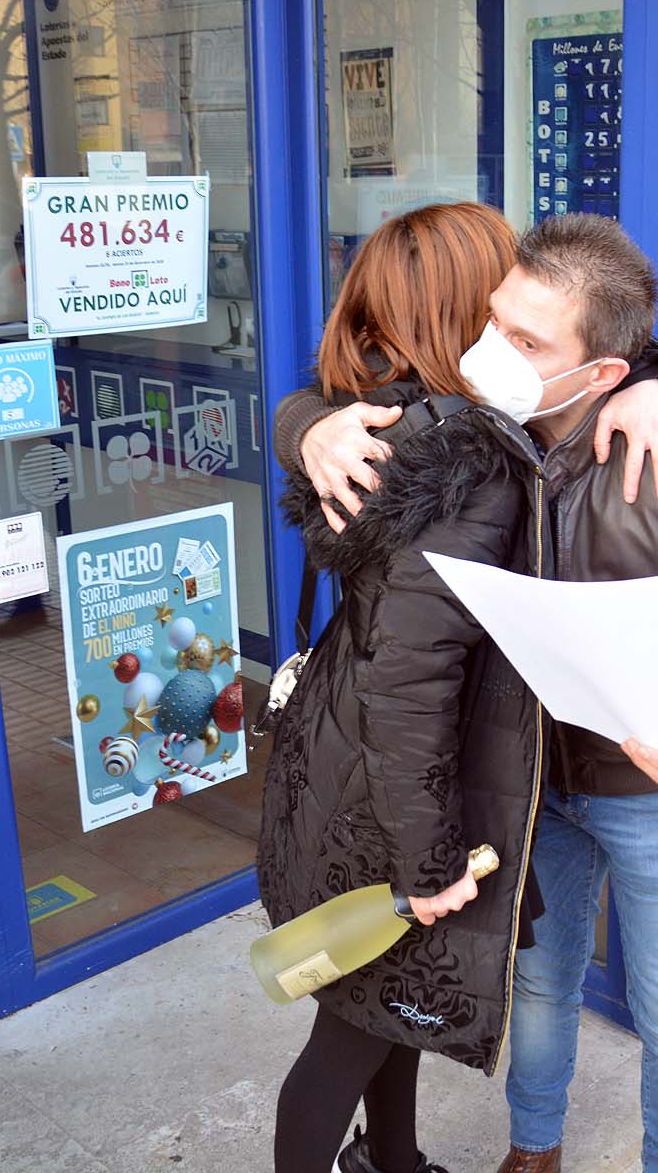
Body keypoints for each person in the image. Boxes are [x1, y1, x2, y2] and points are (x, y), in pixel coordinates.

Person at [276, 213, 658, 1173]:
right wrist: (304, 427)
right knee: (540, 988)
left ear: (600, 376)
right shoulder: (477, 439)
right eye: (495, 323)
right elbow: (335, 393)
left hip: (648, 802)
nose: (493, 352)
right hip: (532, 791)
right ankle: (531, 1152)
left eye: (529, 343)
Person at [256, 202, 543, 1173]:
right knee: (348, 1035)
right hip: (390, 787)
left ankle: (398, 1159)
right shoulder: (461, 461)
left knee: (381, 998)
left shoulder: (382, 420)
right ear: (467, 306)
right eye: (507, 292)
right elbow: (414, 688)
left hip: (345, 759)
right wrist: (429, 867)